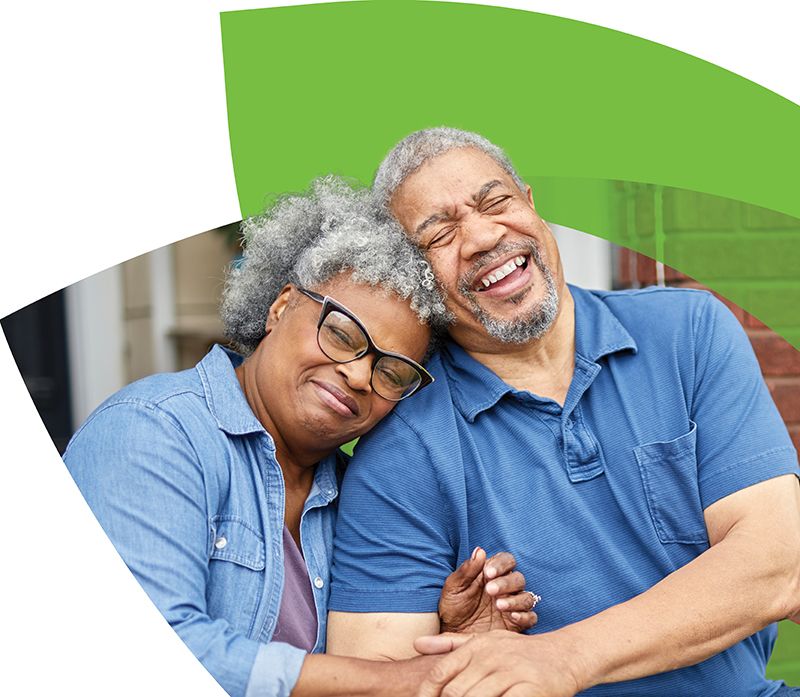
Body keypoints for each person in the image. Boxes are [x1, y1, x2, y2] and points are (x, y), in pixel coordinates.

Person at [327, 129, 800, 696]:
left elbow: (776, 562)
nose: (481, 236)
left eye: (495, 201)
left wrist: (562, 659)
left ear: (530, 202)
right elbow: (373, 678)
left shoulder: (688, 333)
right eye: (440, 235)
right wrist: (459, 664)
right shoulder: (401, 448)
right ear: (416, 281)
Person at [63, 177, 540, 697]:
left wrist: (438, 636)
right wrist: (401, 679)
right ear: (281, 305)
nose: (359, 376)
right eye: (341, 334)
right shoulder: (152, 431)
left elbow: (347, 670)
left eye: (392, 371)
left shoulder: (359, 496)